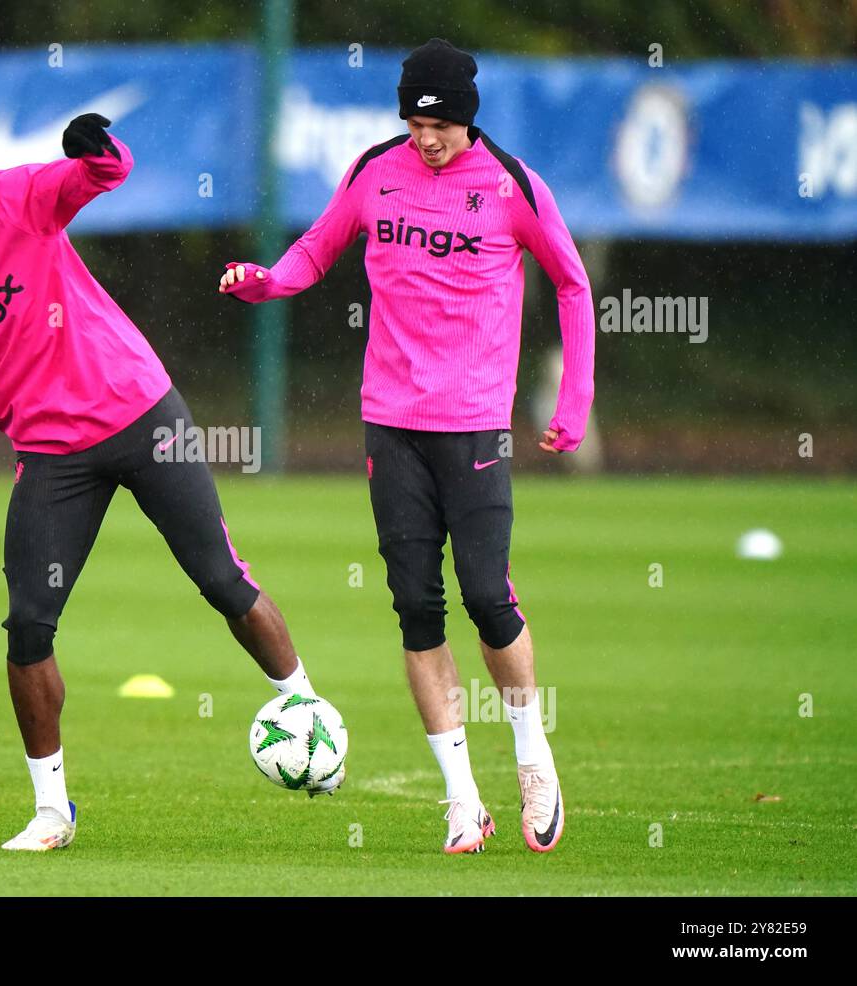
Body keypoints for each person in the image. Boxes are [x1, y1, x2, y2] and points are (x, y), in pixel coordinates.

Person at [0, 113, 328, 852]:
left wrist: (93, 146)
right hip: (51, 452)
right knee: (27, 625)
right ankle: (53, 811)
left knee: (220, 579)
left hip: (141, 412)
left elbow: (107, 172)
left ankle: (307, 712)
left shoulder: (11, 199)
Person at [219, 40, 594, 854]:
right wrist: (268, 280)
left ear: (469, 117)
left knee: (488, 599)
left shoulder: (511, 187)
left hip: (475, 424)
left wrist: (575, 400)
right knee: (417, 611)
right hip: (391, 422)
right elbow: (317, 249)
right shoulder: (372, 171)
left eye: (442, 123)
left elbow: (571, 281)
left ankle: (534, 760)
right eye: (417, 120)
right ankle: (462, 799)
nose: (427, 138)